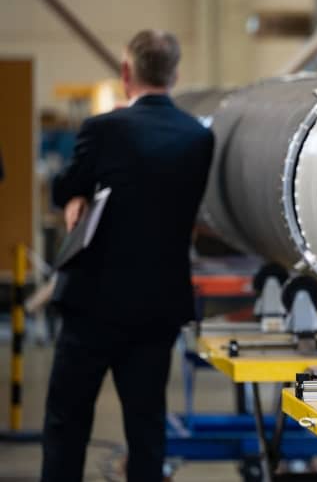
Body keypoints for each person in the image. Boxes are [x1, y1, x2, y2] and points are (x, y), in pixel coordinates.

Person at [42, 30, 214, 482]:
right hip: (157, 308)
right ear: (175, 74)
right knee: (146, 429)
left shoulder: (103, 129)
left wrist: (79, 193)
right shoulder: (198, 139)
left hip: (92, 306)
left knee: (68, 424)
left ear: (125, 73)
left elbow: (63, 187)